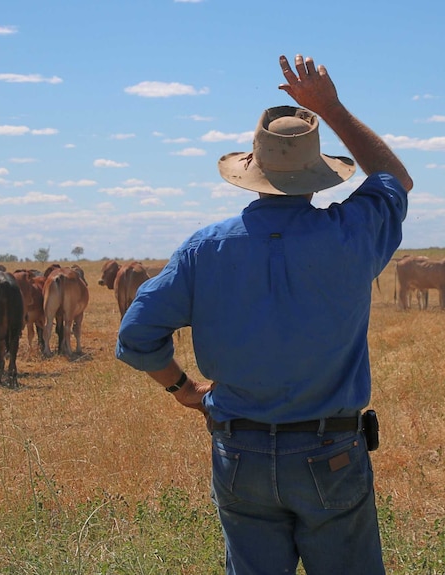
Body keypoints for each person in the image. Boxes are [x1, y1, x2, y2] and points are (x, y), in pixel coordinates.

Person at [116, 53, 413, 574]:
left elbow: (137, 335)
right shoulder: (354, 233)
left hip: (240, 454)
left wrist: (183, 390)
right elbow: (394, 178)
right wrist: (331, 108)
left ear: (251, 170)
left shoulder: (204, 250)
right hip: (332, 451)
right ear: (319, 175)